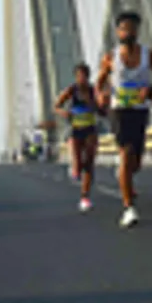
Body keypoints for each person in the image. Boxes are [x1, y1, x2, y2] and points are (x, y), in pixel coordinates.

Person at [97, 10, 152, 228]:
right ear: (118, 32)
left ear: (137, 31)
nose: (128, 32)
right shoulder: (111, 57)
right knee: (126, 152)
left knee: (135, 163)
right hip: (119, 110)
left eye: (132, 28)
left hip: (140, 110)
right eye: (124, 28)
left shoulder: (148, 55)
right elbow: (99, 81)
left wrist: (150, 89)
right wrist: (102, 95)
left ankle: (124, 170)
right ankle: (128, 208)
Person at [55, 62, 100, 212]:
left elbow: (101, 108)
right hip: (75, 129)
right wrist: (64, 113)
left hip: (90, 129)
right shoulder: (71, 90)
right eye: (79, 76)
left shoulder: (93, 90)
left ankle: (85, 197)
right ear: (75, 77)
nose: (82, 79)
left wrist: (92, 102)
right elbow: (57, 106)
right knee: (78, 165)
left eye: (84, 76)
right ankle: (75, 168)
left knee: (89, 164)